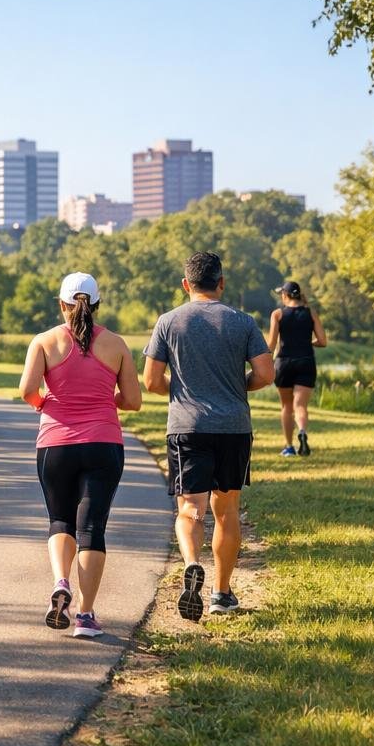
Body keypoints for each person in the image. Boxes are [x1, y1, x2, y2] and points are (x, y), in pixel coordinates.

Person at [143, 251, 274, 621]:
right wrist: (238, 386)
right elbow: (266, 374)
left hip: (188, 428)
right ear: (221, 283)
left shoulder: (168, 322)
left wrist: (181, 389)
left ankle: (189, 564)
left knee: (190, 509)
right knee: (226, 511)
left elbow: (151, 381)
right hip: (233, 428)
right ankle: (221, 592)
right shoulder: (243, 322)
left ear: (186, 284)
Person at [18, 273, 142, 638]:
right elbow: (133, 400)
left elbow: (27, 389)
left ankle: (61, 581)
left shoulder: (44, 342)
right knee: (92, 529)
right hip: (103, 444)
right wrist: (105, 402)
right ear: (98, 304)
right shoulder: (116, 344)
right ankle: (86, 617)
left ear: (61, 304)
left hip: (55, 445)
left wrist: (46, 404)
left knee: (60, 520)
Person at [265, 280, 328, 457]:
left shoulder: (277, 314)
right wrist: (307, 342)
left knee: (286, 406)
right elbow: (323, 341)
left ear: (284, 295)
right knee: (300, 405)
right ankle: (302, 431)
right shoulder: (311, 313)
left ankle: (289, 447)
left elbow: (271, 345)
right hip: (306, 362)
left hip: (284, 363)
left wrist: (260, 361)